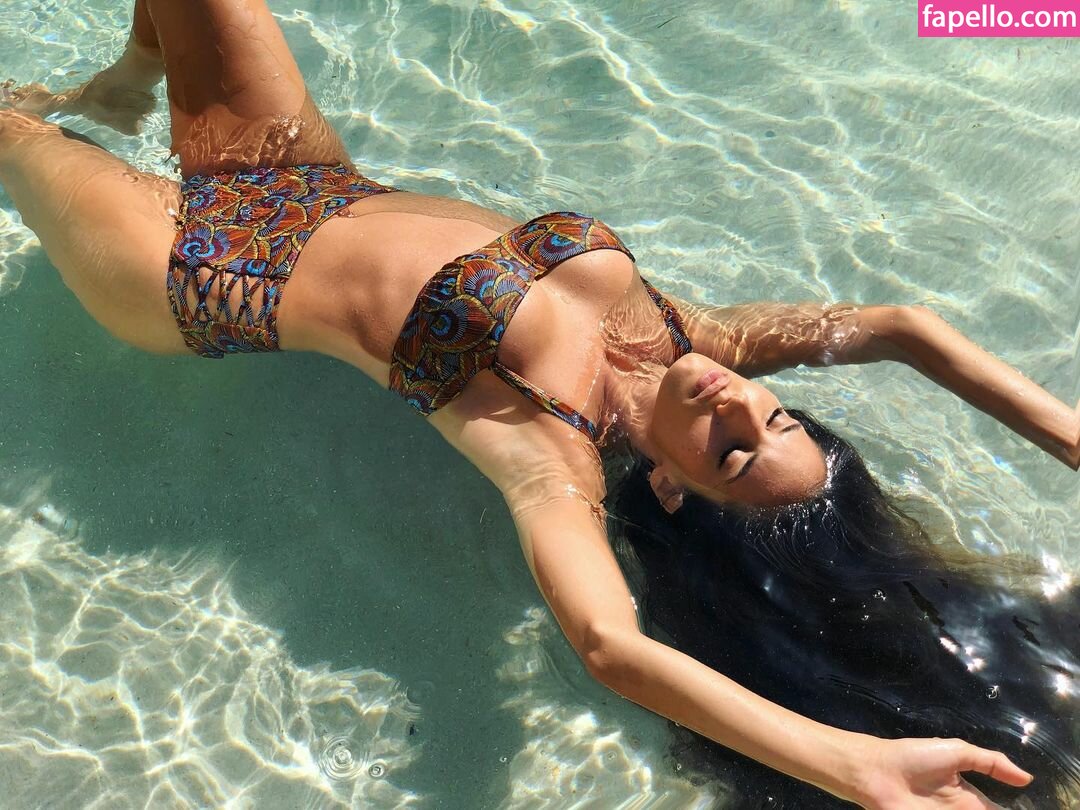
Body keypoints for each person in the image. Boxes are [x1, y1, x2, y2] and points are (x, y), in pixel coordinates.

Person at [0, 2, 1076, 807]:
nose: (742, 410)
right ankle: (127, 81)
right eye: (778, 420)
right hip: (301, 175)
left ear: (670, 487)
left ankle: (88, 107)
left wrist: (850, 764)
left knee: (6, 126)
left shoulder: (547, 453)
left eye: (732, 455)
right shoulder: (705, 336)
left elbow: (610, 645)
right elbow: (899, 326)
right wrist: (1070, 438)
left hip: (197, 272)